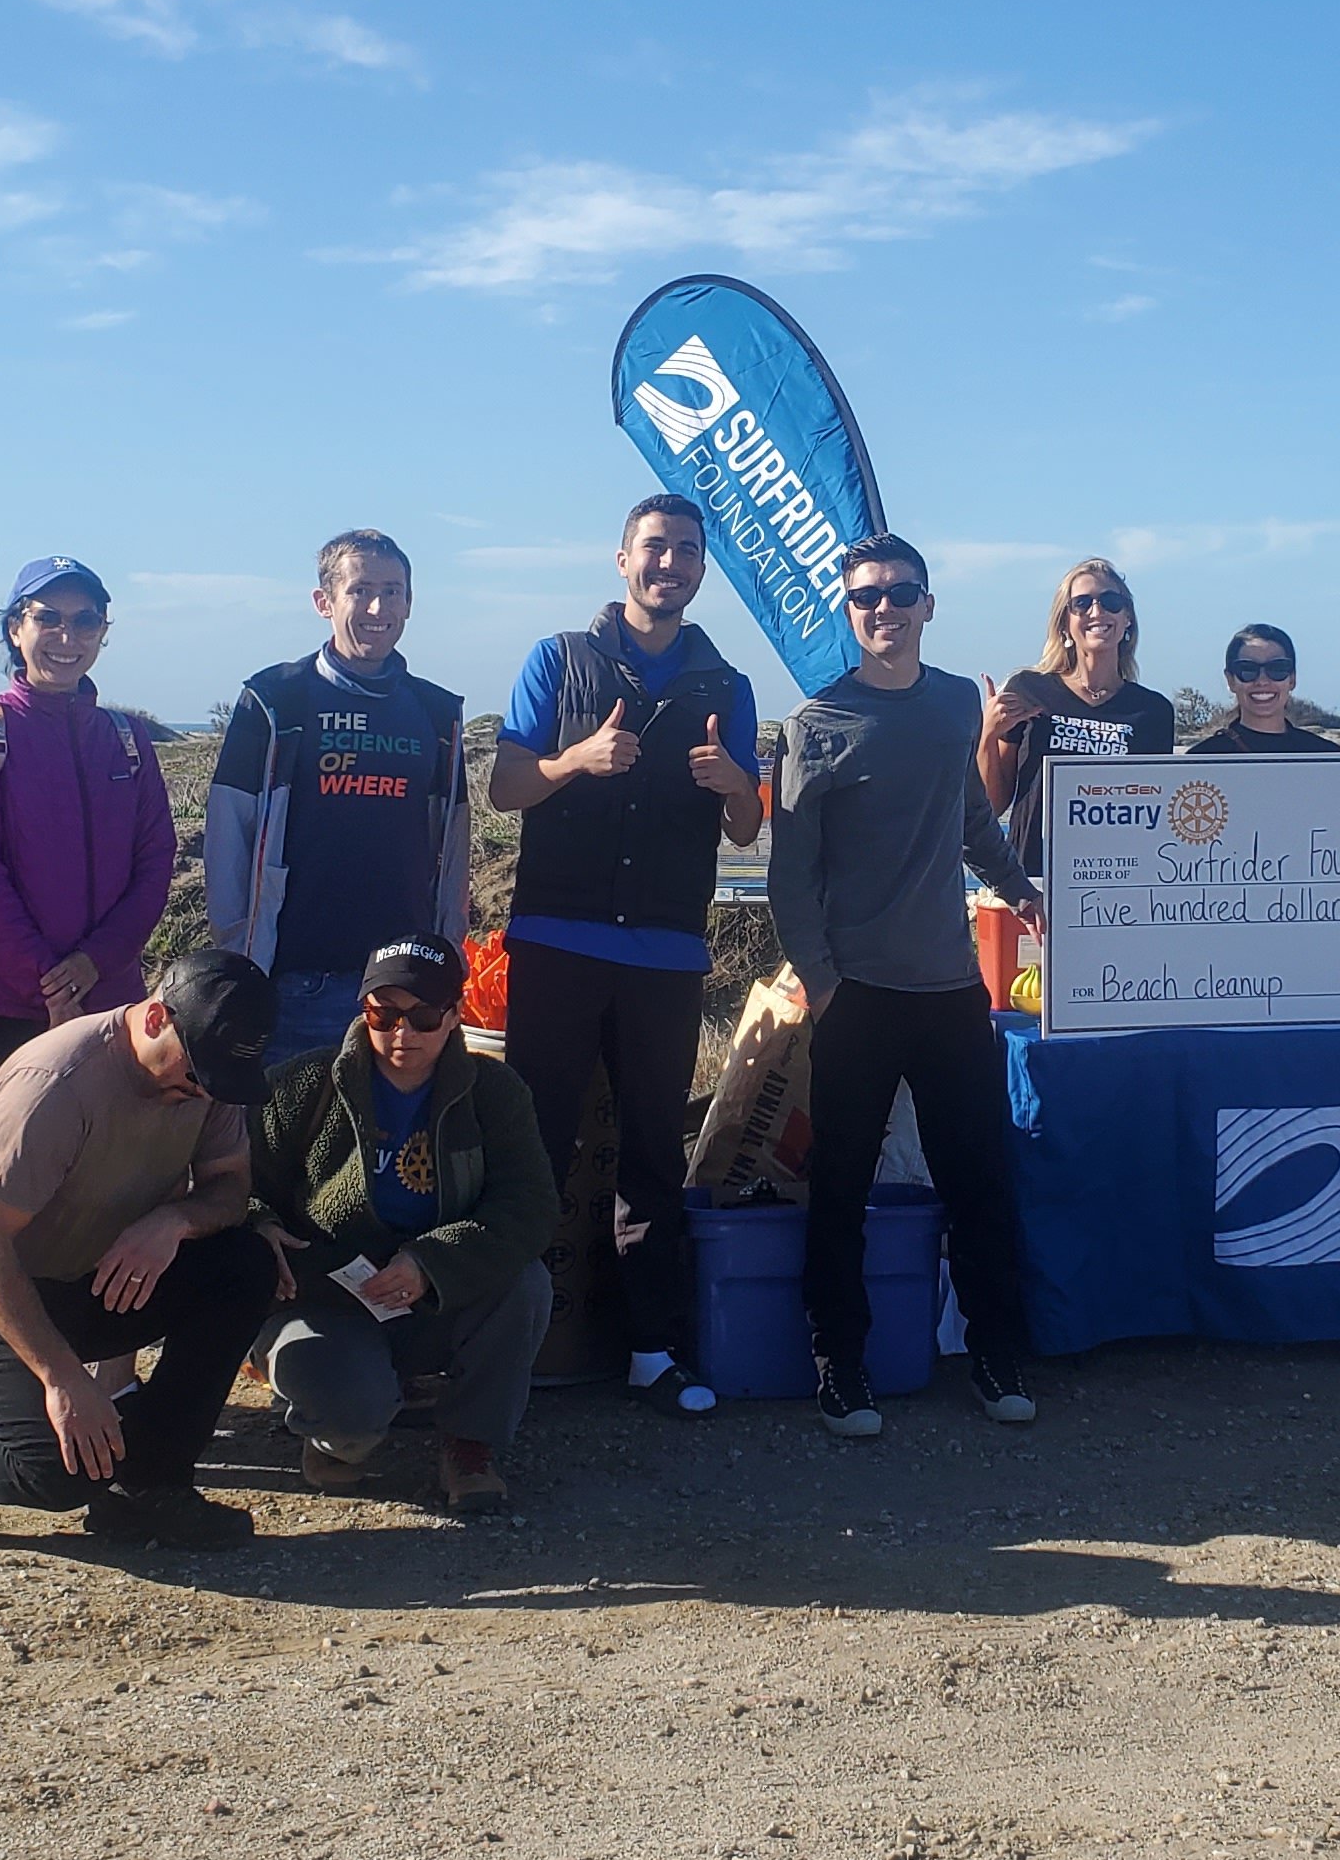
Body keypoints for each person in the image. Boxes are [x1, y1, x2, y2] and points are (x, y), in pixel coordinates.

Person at [488, 494, 763, 1419]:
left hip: (665, 950)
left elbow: (748, 823)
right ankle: (501, 1351)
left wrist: (735, 786)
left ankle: (652, 1350)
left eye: (688, 550)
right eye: (656, 548)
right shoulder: (558, 658)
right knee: (533, 1148)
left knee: (653, 1149)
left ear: (700, 567)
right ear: (622, 560)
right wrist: (575, 762)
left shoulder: (723, 684)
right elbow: (504, 785)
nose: (670, 564)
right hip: (556, 941)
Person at [0, 951, 281, 1552]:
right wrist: (63, 1379)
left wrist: (173, 1220)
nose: (201, 1093)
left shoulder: (207, 1073)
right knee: (59, 1471)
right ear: (157, 1017)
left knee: (244, 1266)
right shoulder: (57, 1083)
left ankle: (151, 1484)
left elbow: (229, 1186)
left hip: (75, 1277)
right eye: (195, 1075)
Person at [769, 534, 1044, 1439]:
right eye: (865, 598)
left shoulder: (958, 702)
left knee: (979, 1181)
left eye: (899, 593)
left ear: (929, 604)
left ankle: (998, 1354)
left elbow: (967, 813)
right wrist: (824, 984)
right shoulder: (816, 724)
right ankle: (838, 1364)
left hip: (951, 989)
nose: (882, 609)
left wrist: (1017, 887)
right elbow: (790, 875)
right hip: (859, 996)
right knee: (841, 1186)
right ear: (847, 614)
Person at [249, 935, 560, 1519]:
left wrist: (431, 1262)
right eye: (383, 1014)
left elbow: (532, 1206)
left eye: (422, 1017)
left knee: (527, 1283)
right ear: (361, 1010)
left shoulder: (495, 1093)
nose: (402, 1034)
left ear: (454, 1017)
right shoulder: (303, 1085)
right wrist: (260, 1225)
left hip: (436, 1296)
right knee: (349, 1417)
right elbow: (232, 1179)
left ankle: (470, 1444)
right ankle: (342, 1432)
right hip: (327, 1297)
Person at [205, 530, 472, 1068]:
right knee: (289, 1144)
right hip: (298, 978)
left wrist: (449, 954)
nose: (379, 607)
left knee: (387, 1147)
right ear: (324, 602)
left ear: (410, 603)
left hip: (405, 981)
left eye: (393, 591)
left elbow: (455, 838)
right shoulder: (276, 699)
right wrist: (241, 958)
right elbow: (227, 833)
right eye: (361, 590)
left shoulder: (437, 713)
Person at [0, 558, 176, 1115]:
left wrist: (95, 962)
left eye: (86, 621)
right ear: (16, 629)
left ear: (103, 634)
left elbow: (156, 861)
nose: (68, 637)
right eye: (49, 618)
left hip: (109, 1000)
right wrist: (48, 981)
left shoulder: (127, 739)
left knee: (96, 1189)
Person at [979, 558, 1177, 870]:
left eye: (1111, 601)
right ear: (1064, 624)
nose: (1097, 612)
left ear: (1127, 620)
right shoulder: (1027, 689)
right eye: (1082, 604)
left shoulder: (1153, 711)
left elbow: (1152, 813)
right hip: (1032, 879)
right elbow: (991, 805)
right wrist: (989, 733)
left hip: (1115, 877)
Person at [1188, 624, 1340, 755]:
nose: (1262, 681)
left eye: (1277, 669)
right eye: (1248, 670)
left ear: (1292, 679)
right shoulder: (1202, 759)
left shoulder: (1326, 756)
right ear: (1230, 680)